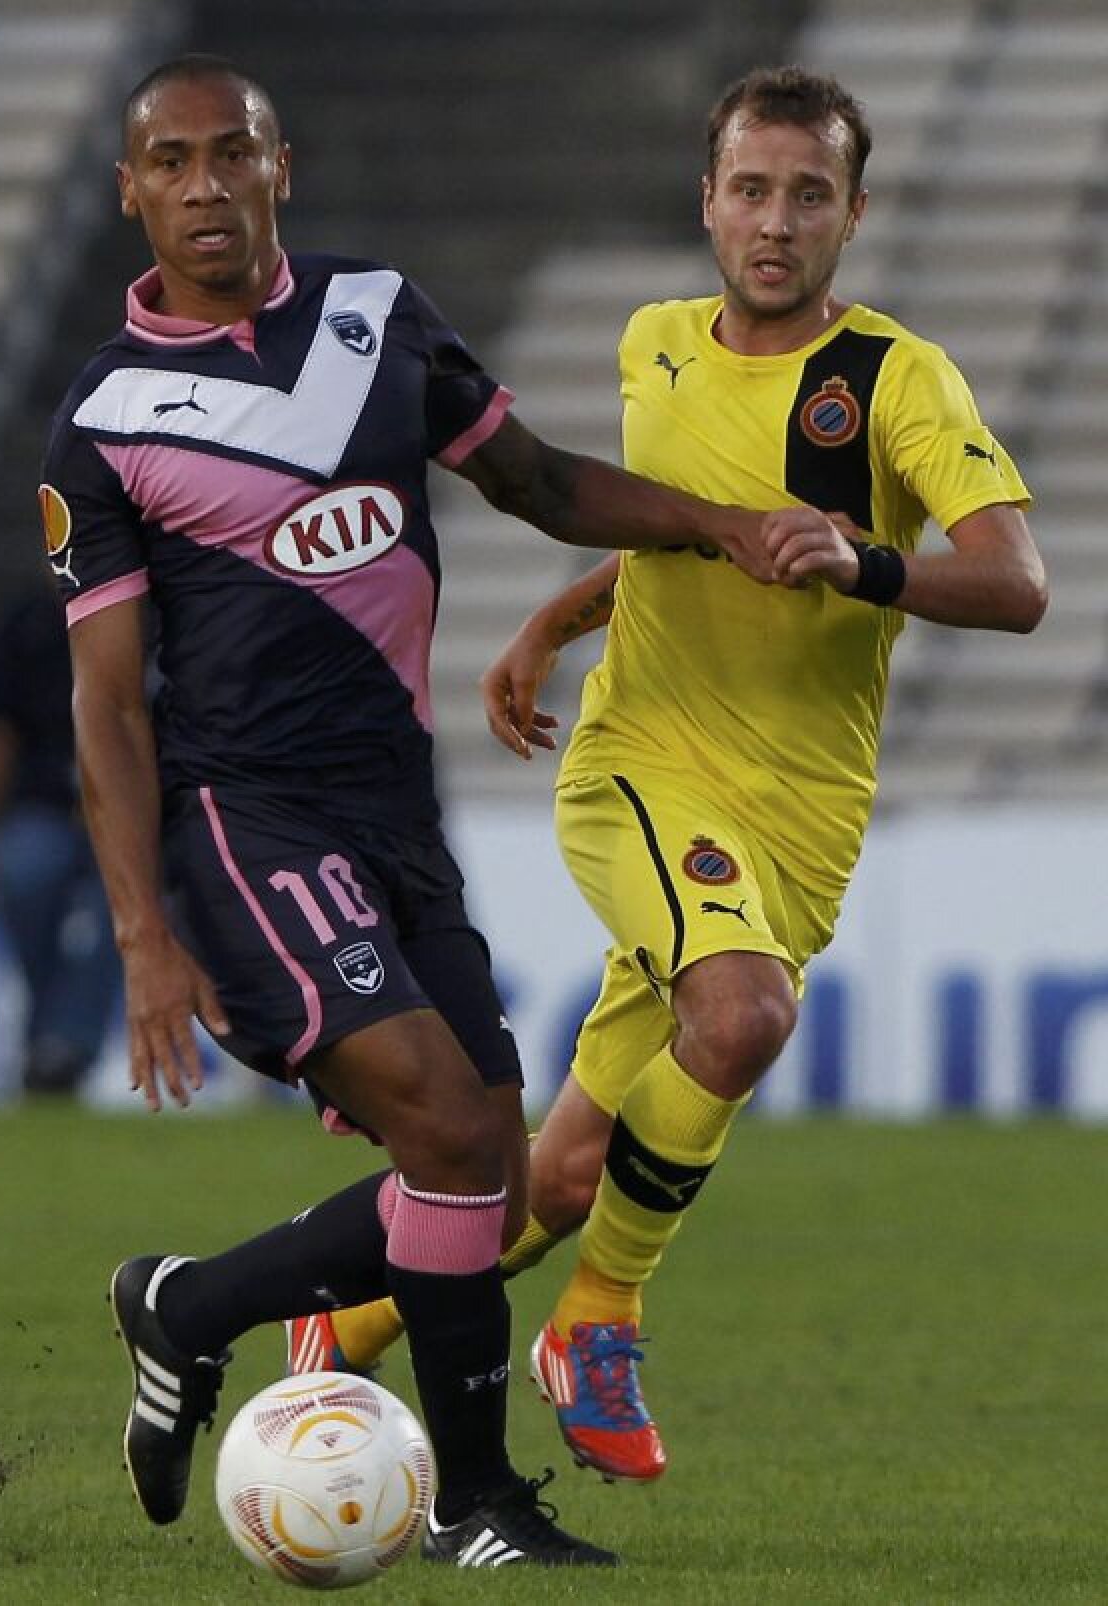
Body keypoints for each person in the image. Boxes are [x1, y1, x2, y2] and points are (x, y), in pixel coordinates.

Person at [41, 54, 808, 1567]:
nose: (206, 185)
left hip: (396, 814)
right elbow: (108, 703)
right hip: (244, 823)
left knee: (486, 1176)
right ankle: (477, 1502)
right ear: (129, 191)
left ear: (281, 164)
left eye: (232, 152)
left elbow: (540, 483)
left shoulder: (376, 315)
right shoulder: (106, 419)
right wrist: (140, 931)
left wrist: (718, 525)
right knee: (454, 1131)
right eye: (171, 162)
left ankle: (187, 1306)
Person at [286, 64, 1046, 1486]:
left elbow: (1018, 583)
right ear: (708, 201)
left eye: (808, 195)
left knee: (569, 1172)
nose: (776, 221)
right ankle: (597, 1320)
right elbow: (678, 539)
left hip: (799, 819)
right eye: (751, 189)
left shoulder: (897, 379)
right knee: (744, 1012)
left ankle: (344, 1323)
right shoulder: (656, 345)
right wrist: (557, 620)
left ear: (855, 214)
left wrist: (868, 563)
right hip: (641, 766)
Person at [0, 581, 120, 1093]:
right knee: (26, 874)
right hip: (44, 806)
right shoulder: (27, 626)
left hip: (126, 809)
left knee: (121, 909)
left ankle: (69, 1043)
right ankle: (47, 1037)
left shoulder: (148, 613)